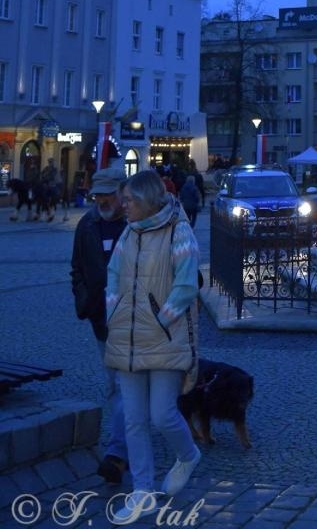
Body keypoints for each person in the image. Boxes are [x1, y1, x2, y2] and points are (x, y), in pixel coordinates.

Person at [104, 169, 200, 518]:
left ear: (145, 199)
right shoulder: (129, 232)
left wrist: (160, 320)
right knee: (133, 419)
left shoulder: (178, 229)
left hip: (163, 338)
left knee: (162, 414)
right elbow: (113, 275)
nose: (122, 205)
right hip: (126, 338)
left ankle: (188, 455)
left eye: (128, 199)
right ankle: (142, 490)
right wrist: (112, 310)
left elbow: (187, 285)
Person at [70, 163, 129, 485]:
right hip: (103, 321)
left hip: (135, 320)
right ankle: (125, 447)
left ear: (123, 193)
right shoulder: (87, 224)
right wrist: (84, 302)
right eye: (97, 195)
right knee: (115, 386)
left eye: (108, 195)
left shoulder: (136, 223)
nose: (102, 201)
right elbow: (77, 267)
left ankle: (118, 453)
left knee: (124, 386)